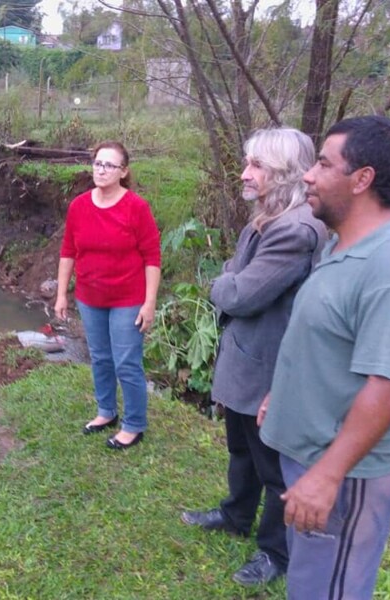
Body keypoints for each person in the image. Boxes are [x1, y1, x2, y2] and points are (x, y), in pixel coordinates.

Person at [258, 116, 390, 599]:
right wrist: (284, 392)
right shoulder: (343, 245)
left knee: (330, 589)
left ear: (362, 179)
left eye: (323, 163)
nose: (308, 175)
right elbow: (329, 340)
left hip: (345, 475)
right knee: (310, 580)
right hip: (312, 457)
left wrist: (328, 474)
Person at [180, 128, 327, 586]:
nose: (245, 174)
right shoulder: (266, 218)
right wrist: (232, 279)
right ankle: (235, 515)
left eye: (256, 166)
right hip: (245, 361)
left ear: (285, 174)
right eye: (247, 163)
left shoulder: (295, 230)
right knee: (241, 449)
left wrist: (223, 283)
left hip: (268, 371)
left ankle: (274, 553)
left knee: (274, 470)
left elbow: (238, 292)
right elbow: (238, 279)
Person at [54, 141, 161, 450]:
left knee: (126, 361)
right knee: (100, 357)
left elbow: (152, 257)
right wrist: (62, 294)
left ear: (123, 172)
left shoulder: (136, 208)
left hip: (128, 298)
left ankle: (134, 424)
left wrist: (149, 303)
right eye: (97, 163)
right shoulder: (79, 206)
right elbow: (68, 251)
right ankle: (106, 412)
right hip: (90, 296)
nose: (101, 170)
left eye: (109, 165)